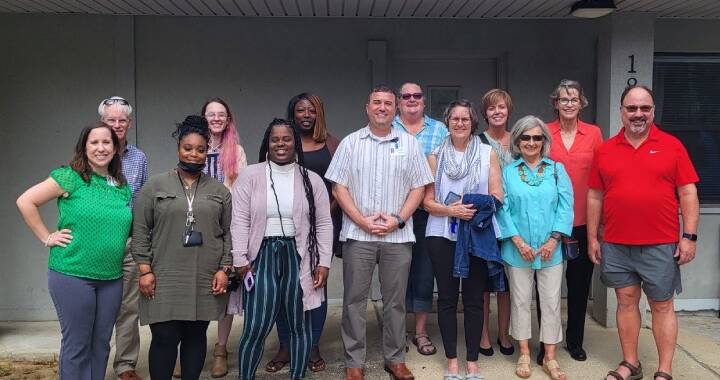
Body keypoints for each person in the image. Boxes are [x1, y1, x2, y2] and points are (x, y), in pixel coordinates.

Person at [589, 85, 699, 380]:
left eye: (645, 108)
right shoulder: (606, 149)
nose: (638, 114)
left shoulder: (672, 145)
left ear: (652, 111)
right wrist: (592, 238)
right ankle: (631, 363)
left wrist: (689, 236)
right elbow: (595, 195)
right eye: (632, 108)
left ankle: (664, 369)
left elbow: (688, 192)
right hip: (616, 242)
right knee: (625, 301)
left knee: (661, 305)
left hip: (660, 243)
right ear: (621, 111)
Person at [325, 85, 434, 380]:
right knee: (354, 301)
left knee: (396, 302)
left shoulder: (409, 144)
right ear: (367, 107)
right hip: (359, 236)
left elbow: (419, 187)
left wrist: (398, 219)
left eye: (388, 103)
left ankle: (395, 358)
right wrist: (360, 220)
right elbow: (339, 186)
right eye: (377, 103)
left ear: (395, 108)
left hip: (397, 237)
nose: (382, 108)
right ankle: (354, 363)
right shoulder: (350, 143)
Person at [16, 123, 132, 380]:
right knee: (77, 344)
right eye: (94, 143)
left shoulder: (121, 186)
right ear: (84, 147)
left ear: (115, 149)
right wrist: (47, 236)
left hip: (111, 278)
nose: (101, 148)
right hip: (73, 275)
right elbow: (25, 201)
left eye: (107, 143)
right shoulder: (69, 177)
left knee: (101, 344)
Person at [131, 115, 232, 380]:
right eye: (188, 148)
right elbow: (140, 230)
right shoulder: (155, 186)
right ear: (178, 148)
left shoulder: (220, 191)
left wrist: (224, 269)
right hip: (163, 274)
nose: (194, 154)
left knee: (196, 335)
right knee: (164, 336)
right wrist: (144, 270)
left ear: (207, 152)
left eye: (201, 149)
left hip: (205, 275)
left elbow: (229, 233)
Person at [233, 118, 333, 380]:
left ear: (295, 143)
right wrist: (240, 258)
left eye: (287, 139)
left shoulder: (311, 180)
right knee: (255, 325)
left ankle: (297, 375)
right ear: (267, 142)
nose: (281, 144)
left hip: (299, 256)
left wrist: (323, 262)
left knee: (300, 324)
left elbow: (323, 223)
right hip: (262, 255)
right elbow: (239, 219)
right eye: (275, 139)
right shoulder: (250, 175)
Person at [422, 100, 503, 379]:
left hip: (476, 235)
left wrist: (471, 207)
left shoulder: (486, 153)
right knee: (445, 298)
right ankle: (452, 362)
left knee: (473, 300)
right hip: (441, 234)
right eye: (454, 119)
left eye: (465, 119)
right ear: (447, 123)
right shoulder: (435, 156)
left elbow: (498, 195)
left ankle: (472, 362)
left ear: (473, 123)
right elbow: (426, 202)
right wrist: (451, 210)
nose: (459, 123)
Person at [266, 93, 340, 374]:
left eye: (311, 110)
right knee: (285, 288)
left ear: (319, 113)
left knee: (315, 286)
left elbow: (339, 186)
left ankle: (311, 344)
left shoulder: (331, 144)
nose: (306, 114)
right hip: (283, 229)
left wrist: (321, 213)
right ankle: (285, 344)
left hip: (322, 226)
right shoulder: (282, 141)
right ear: (292, 113)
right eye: (300, 110)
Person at [496, 116, 573, 380]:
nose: (531, 142)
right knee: (519, 302)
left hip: (551, 251)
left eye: (537, 138)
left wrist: (554, 240)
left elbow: (566, 207)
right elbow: (502, 209)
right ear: (517, 141)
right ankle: (525, 353)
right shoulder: (507, 172)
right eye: (525, 138)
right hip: (518, 251)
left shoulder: (556, 170)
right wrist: (518, 242)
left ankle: (550, 357)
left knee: (551, 303)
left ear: (544, 141)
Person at [546, 79, 603, 362]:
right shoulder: (543, 132)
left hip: (582, 221)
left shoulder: (593, 134)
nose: (569, 104)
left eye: (574, 99)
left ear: (582, 104)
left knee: (579, 286)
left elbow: (600, 178)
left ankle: (575, 340)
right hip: (548, 223)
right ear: (555, 103)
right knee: (548, 287)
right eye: (564, 99)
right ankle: (548, 343)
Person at [392, 82, 448, 357]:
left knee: (425, 272)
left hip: (427, 212)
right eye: (406, 96)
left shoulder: (439, 130)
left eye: (416, 96)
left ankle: (421, 331)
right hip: (396, 213)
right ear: (399, 101)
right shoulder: (387, 128)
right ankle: (398, 330)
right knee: (397, 273)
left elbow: (447, 167)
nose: (411, 100)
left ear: (423, 102)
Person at [99, 96, 149, 380]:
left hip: (128, 241)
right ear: (101, 122)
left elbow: (141, 202)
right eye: (110, 120)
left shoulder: (138, 158)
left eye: (122, 120)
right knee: (98, 306)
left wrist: (142, 242)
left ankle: (126, 366)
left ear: (129, 123)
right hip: (98, 243)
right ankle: (95, 362)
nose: (117, 125)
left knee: (129, 307)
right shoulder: (91, 152)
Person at [201, 97, 248, 378]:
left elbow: (240, 193)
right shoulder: (192, 145)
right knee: (197, 288)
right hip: (196, 230)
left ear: (228, 120)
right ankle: (192, 347)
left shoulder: (237, 151)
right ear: (203, 118)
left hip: (225, 229)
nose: (216, 119)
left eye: (222, 115)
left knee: (226, 290)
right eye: (211, 114)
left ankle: (221, 349)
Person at [478, 89, 514, 357]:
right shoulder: (478, 142)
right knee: (483, 282)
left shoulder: (520, 140)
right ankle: (484, 335)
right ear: (485, 113)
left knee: (508, 282)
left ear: (508, 110)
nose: (497, 112)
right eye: (492, 108)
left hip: (514, 220)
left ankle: (504, 333)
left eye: (501, 107)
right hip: (487, 221)